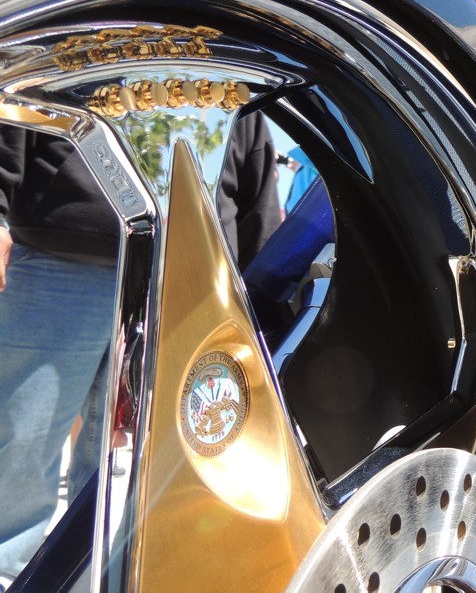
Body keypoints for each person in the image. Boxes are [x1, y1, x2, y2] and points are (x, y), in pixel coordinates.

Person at [0, 112, 280, 581]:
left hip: (187, 277)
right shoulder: (85, 38)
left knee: (139, 464)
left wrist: (261, 293)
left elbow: (252, 183)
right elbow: (14, 119)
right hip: (61, 253)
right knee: (22, 438)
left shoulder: (226, 60)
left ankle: (99, 578)